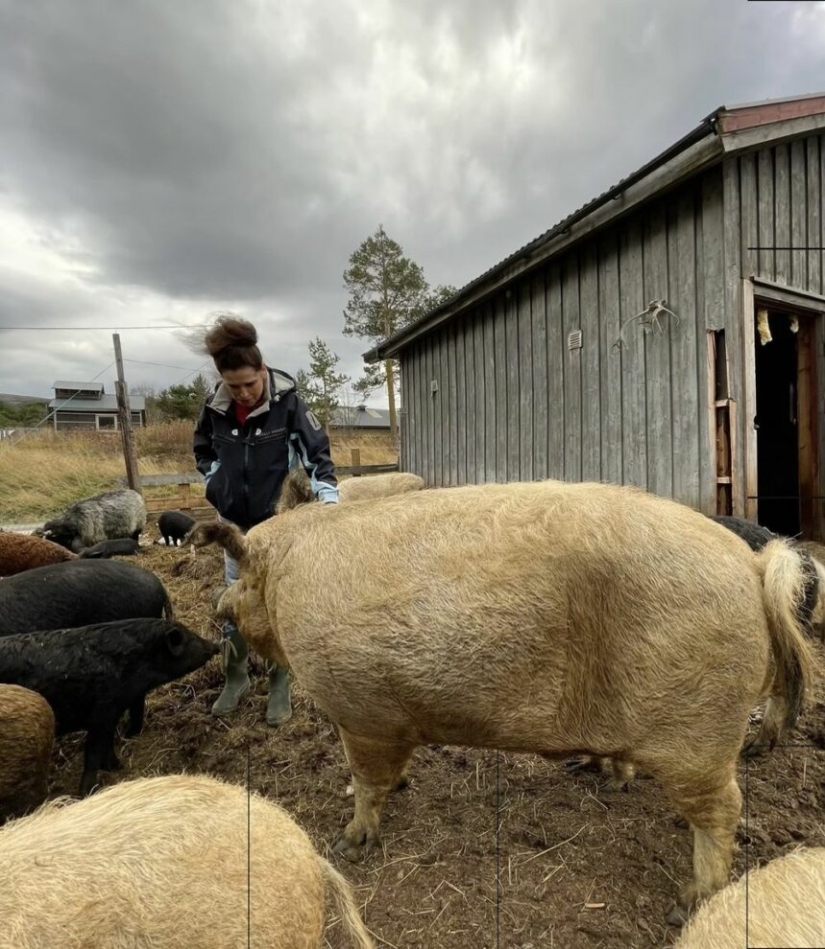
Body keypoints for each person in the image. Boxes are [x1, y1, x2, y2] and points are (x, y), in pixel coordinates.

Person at [192, 315, 338, 725]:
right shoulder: (215, 408)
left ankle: (279, 684)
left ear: (262, 371)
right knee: (235, 599)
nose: (242, 393)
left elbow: (318, 458)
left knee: (274, 601)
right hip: (233, 526)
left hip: (277, 525)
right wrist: (214, 479)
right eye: (232, 385)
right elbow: (201, 447)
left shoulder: (288, 404)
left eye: (249, 384)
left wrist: (330, 509)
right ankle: (235, 677)